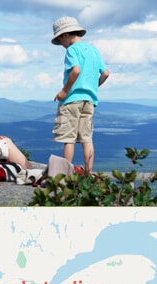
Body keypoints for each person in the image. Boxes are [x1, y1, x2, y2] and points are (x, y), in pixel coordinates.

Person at [51, 16, 109, 175]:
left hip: (71, 100)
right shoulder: (93, 50)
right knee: (86, 139)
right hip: (89, 100)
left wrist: (64, 91)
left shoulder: (72, 50)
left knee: (68, 139)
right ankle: (89, 173)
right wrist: (93, 87)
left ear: (65, 35)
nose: (61, 44)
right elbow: (105, 73)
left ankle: (65, 175)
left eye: (59, 39)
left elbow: (75, 70)